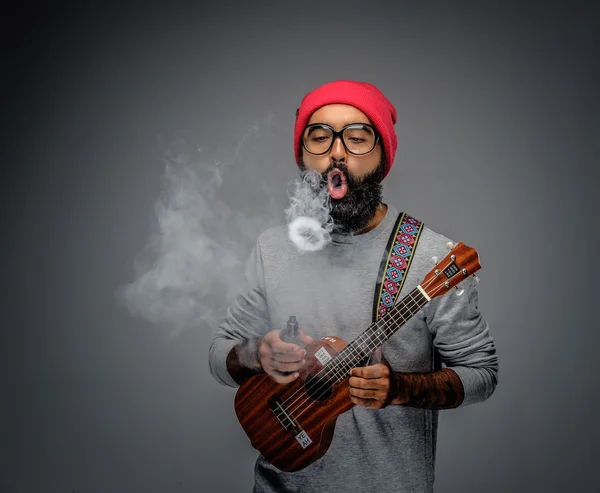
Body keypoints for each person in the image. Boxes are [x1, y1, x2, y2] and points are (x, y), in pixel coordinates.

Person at [209, 79, 498, 493]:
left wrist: (402, 388)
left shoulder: (432, 257)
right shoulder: (272, 248)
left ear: (382, 156)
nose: (338, 153)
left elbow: (482, 374)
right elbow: (219, 355)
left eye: (358, 138)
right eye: (319, 137)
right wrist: (255, 354)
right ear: (302, 155)